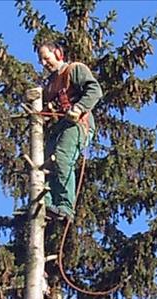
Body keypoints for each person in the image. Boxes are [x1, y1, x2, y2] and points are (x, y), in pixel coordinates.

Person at [37, 42, 103, 222]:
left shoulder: (74, 70)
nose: (44, 63)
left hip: (77, 125)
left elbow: (95, 90)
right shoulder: (49, 85)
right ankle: (46, 203)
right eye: (41, 60)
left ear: (58, 53)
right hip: (58, 128)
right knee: (45, 165)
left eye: (46, 58)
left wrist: (79, 107)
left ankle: (65, 206)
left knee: (62, 157)